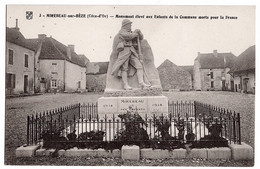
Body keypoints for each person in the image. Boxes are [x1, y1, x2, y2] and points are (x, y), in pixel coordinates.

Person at [111, 19, 151, 90]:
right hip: (124, 51)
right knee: (124, 68)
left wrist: (139, 32)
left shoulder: (131, 32)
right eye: (129, 24)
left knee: (139, 66)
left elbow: (141, 38)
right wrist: (135, 33)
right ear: (125, 25)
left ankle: (141, 83)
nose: (130, 26)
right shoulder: (122, 32)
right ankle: (126, 85)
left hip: (132, 51)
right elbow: (128, 36)